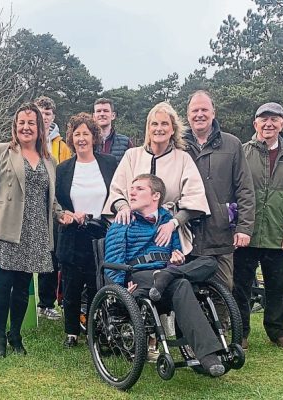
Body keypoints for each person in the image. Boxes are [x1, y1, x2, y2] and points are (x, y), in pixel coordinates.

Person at [0, 102, 73, 358]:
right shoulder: (0, 151)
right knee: (2, 286)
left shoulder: (48, 160)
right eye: (22, 123)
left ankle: (15, 334)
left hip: (35, 232)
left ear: (40, 128)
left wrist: (61, 214)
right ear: (15, 126)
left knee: (23, 289)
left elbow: (50, 201)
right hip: (4, 230)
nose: (26, 127)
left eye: (31, 123)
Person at [104, 174, 225, 377]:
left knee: (209, 262)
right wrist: (120, 290)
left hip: (165, 279)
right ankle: (208, 356)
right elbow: (113, 263)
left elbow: (176, 251)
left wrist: (175, 262)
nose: (132, 192)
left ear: (155, 195)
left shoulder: (168, 221)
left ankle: (168, 274)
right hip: (139, 276)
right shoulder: (123, 220)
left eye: (139, 188)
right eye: (131, 188)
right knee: (182, 284)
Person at [233, 102, 283, 350]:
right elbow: (235, 192)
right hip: (246, 235)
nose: (268, 124)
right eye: (263, 119)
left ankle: (277, 331)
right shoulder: (242, 152)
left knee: (277, 287)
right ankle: (240, 333)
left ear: (282, 124)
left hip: (278, 235)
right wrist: (237, 227)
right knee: (240, 288)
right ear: (255, 124)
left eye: (274, 119)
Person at [103, 101, 210, 255]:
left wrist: (173, 223)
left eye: (164, 124)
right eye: (154, 124)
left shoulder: (183, 158)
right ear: (148, 128)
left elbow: (195, 199)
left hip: (169, 233)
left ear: (172, 129)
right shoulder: (132, 156)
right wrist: (124, 208)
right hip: (134, 234)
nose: (159, 129)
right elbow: (116, 191)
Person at [55, 113, 117, 348]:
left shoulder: (110, 163)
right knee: (71, 285)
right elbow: (56, 203)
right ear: (71, 138)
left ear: (94, 137)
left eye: (86, 134)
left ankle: (96, 330)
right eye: (77, 134)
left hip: (101, 232)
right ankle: (71, 332)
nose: (82, 139)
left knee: (96, 284)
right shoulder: (63, 169)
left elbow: (118, 193)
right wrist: (66, 215)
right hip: (72, 233)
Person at [183, 90, 255, 290]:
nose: (199, 114)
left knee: (222, 293)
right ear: (188, 115)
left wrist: (244, 227)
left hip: (220, 235)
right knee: (185, 295)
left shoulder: (232, 144)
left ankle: (223, 324)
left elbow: (245, 188)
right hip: (186, 234)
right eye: (194, 110)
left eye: (204, 109)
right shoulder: (177, 145)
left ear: (213, 113)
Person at [34, 95, 72, 321]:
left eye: (48, 114)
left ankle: (46, 304)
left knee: (50, 257)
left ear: (53, 117)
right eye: (40, 113)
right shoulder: (25, 140)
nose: (44, 117)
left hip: (53, 207)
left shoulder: (63, 146)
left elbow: (65, 177)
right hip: (30, 206)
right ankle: (26, 302)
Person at [93, 98, 133, 164]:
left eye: (106, 111)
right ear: (94, 116)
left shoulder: (126, 142)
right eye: (98, 111)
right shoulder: (88, 142)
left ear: (113, 115)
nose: (102, 114)